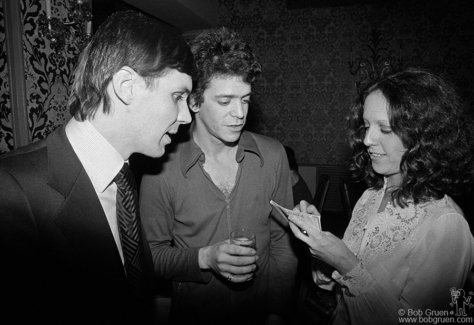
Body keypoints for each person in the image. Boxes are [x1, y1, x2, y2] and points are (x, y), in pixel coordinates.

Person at [0, 11, 195, 325]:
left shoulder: (124, 177)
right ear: (127, 86)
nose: (186, 116)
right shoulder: (10, 189)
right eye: (178, 96)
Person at [287, 68, 474, 324]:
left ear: (423, 136)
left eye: (384, 128)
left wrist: (347, 265)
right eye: (365, 125)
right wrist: (325, 260)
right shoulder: (372, 195)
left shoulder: (447, 226)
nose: (366, 139)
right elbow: (349, 287)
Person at [140, 27, 298, 325]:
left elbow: (282, 243)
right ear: (194, 102)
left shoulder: (274, 155)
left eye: (246, 100)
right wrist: (204, 258)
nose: (239, 113)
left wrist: (277, 313)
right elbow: (151, 257)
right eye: (225, 102)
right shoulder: (160, 167)